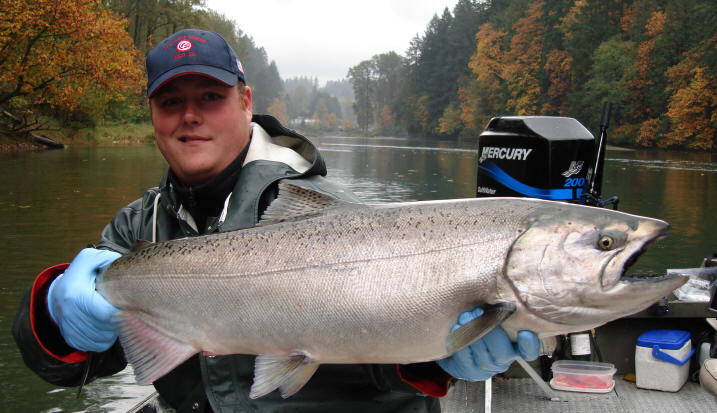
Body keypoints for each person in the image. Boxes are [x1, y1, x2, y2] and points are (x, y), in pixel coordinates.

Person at [12, 29, 539, 412]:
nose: (190, 115)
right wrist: (55, 314)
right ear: (152, 114)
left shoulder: (327, 214)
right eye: (171, 101)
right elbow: (77, 366)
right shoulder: (137, 230)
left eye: (210, 98)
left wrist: (433, 358)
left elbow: (375, 346)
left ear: (244, 102)